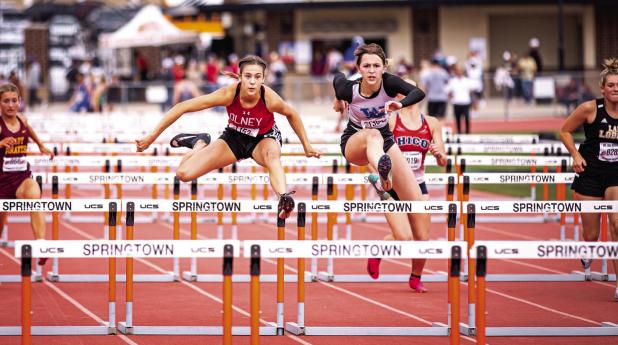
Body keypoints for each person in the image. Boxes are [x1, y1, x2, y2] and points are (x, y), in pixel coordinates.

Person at [135, 55, 320, 219]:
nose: (252, 82)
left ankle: (283, 198)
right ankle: (199, 143)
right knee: (183, 174)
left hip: (264, 139)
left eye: (257, 77)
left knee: (272, 157)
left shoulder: (270, 98)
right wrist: (152, 136)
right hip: (234, 138)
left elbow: (292, 114)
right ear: (240, 77)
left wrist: (307, 145)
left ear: (264, 79)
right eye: (248, 76)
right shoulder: (228, 94)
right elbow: (182, 106)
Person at [332, 43, 428, 289]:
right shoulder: (349, 88)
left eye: (376, 66)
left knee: (418, 212)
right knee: (373, 134)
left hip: (385, 144)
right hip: (356, 143)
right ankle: (382, 175)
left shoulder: (390, 82)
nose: (372, 71)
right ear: (359, 69)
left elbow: (418, 93)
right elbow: (337, 77)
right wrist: (337, 97)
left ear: (384, 67)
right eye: (366, 66)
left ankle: (416, 276)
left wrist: (400, 104)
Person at [373, 79, 447, 292]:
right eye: (404, 91)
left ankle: (416, 277)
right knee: (403, 237)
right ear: (398, 96)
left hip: (419, 185)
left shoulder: (432, 123)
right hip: (394, 186)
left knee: (422, 238)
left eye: (413, 90)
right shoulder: (392, 121)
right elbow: (377, 151)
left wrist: (439, 155)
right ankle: (378, 251)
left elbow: (443, 162)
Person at [559, 58, 618, 301]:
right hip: (590, 173)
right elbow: (564, 130)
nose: (616, 89)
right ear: (603, 88)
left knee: (617, 225)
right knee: (592, 235)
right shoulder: (590, 109)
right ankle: (587, 248)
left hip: (616, 173)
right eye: (612, 85)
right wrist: (575, 154)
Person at [0, 83, 54, 265]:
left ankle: (40, 245)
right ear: (0, 104)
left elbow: (28, 130)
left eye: (14, 101)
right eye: (6, 101)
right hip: (1, 182)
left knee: (35, 194)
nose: (10, 105)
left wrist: (40, 145)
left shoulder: (22, 119)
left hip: (21, 178)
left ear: (19, 102)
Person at [446, 64, 480, 134]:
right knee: (457, 119)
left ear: (463, 72)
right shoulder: (452, 81)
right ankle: (459, 133)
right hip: (456, 103)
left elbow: (473, 91)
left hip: (465, 102)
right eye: (457, 71)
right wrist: (450, 98)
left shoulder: (467, 81)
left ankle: (467, 133)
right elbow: (448, 91)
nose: (459, 72)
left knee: (467, 118)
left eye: (460, 71)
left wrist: (474, 102)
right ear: (455, 72)